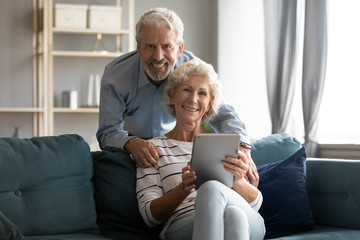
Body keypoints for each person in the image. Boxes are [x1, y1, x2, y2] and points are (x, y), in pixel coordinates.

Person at [96, 7, 258, 186]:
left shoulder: (193, 70)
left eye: (167, 47)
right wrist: (131, 143)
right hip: (132, 148)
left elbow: (224, 114)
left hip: (176, 146)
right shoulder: (115, 77)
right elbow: (108, 133)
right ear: (139, 48)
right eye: (150, 46)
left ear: (179, 49)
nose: (158, 57)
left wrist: (243, 148)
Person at [136, 60, 265, 240]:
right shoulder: (152, 149)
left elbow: (256, 204)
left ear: (210, 102)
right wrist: (182, 189)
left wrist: (236, 180)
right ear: (172, 96)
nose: (193, 99)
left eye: (202, 93)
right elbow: (149, 216)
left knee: (228, 206)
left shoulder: (226, 144)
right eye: (187, 89)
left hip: (248, 219)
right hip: (184, 224)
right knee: (234, 217)